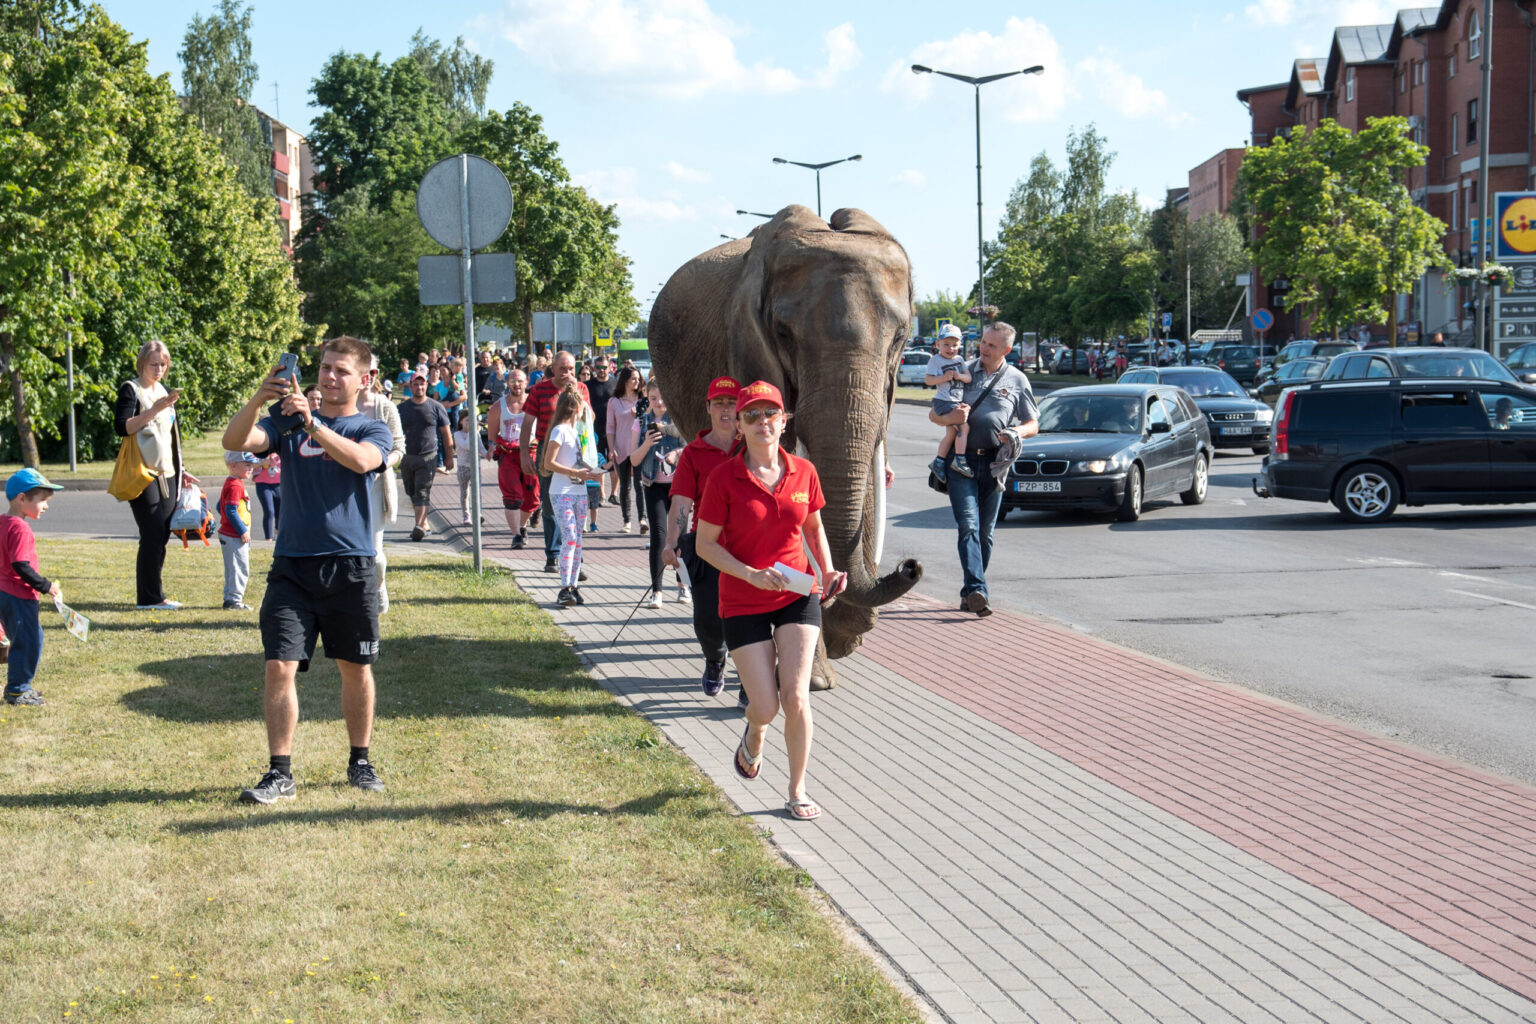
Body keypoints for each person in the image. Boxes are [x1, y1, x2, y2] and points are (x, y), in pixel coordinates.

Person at [221, 335, 395, 805]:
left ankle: (360, 760)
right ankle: (280, 773)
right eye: (325, 367)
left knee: (355, 668)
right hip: (292, 566)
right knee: (279, 665)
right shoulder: (286, 421)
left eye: (341, 370)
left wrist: (312, 423)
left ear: (364, 379)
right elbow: (235, 441)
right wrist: (262, 396)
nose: (330, 376)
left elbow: (361, 462)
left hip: (350, 566)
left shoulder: (371, 428)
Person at [695, 381, 848, 822]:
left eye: (770, 414)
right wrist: (750, 574)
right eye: (751, 415)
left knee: (796, 696)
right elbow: (705, 545)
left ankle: (797, 788)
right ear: (739, 427)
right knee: (765, 705)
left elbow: (814, 528)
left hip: (797, 594)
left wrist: (828, 569)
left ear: (784, 421)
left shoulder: (804, 471)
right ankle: (755, 730)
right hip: (742, 598)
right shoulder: (725, 478)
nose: (762, 422)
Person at [930, 322, 1039, 617]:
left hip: (994, 464)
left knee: (986, 532)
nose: (984, 348)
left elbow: (1033, 423)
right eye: (983, 342)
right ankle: (978, 588)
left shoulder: (1017, 379)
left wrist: (1017, 432)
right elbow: (934, 412)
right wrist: (949, 417)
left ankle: (970, 592)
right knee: (968, 525)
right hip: (960, 461)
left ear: (1006, 349)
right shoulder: (962, 371)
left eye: (992, 345)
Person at [664, 376, 741, 699]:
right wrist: (671, 543)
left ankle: (750, 681)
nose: (726, 409)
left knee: (749, 621)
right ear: (708, 408)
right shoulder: (694, 453)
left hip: (749, 550)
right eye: (719, 403)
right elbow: (681, 502)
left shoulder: (754, 447)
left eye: (731, 403)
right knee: (709, 621)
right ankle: (714, 658)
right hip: (708, 549)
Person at [113, 339, 198, 610]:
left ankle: (155, 594)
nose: (159, 369)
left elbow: (171, 437)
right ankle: (148, 598)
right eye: (154, 364)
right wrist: (154, 409)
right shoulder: (131, 389)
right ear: (142, 363)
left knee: (161, 534)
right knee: (150, 532)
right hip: (143, 472)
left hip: (169, 472)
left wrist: (182, 469)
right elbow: (122, 427)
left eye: (163, 364)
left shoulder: (163, 390)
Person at [519, 351, 590, 574]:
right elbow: (527, 423)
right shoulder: (540, 389)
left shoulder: (581, 388)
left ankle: (575, 557)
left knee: (575, 503)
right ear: (553, 368)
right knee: (550, 504)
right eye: (563, 369)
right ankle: (553, 554)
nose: (567, 373)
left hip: (574, 450)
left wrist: (579, 400)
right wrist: (524, 454)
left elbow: (590, 419)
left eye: (571, 369)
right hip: (546, 449)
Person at [0, 469, 65, 706]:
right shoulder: (20, 528)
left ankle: (18, 686)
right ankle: (18, 690)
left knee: (24, 637)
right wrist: (46, 586)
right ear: (21, 499)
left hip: (4, 593)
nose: (46, 506)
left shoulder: (3, 521)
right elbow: (20, 565)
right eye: (42, 500)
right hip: (19, 595)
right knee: (28, 640)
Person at [541, 385, 603, 607]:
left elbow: (577, 461)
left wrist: (598, 469)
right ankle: (564, 588)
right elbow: (549, 463)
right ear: (576, 408)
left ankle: (573, 585)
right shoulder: (559, 431)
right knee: (569, 537)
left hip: (579, 491)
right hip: (562, 491)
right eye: (583, 409)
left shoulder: (574, 432)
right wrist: (574, 473)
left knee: (578, 540)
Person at [631, 379, 685, 608]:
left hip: (679, 486)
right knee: (659, 535)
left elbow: (691, 448)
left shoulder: (680, 421)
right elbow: (633, 459)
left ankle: (683, 586)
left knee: (682, 536)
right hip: (653, 485)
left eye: (663, 398)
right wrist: (646, 444)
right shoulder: (641, 422)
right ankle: (657, 591)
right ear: (647, 398)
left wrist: (678, 453)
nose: (659, 403)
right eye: (653, 399)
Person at [359, 359, 406, 612]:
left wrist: (378, 464)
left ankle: (378, 586)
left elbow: (399, 448)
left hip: (375, 486)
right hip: (342, 486)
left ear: (372, 374)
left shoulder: (384, 407)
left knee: (374, 553)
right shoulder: (337, 405)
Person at [397, 371, 455, 542]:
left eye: (422, 384)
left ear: (427, 386)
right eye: (416, 384)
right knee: (411, 491)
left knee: (422, 491)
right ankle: (424, 524)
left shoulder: (436, 407)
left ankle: (418, 526)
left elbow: (446, 434)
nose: (419, 387)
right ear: (411, 386)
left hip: (428, 456)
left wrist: (449, 457)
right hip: (407, 457)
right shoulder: (402, 408)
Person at [487, 369, 539, 549]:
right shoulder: (498, 406)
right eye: (513, 381)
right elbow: (492, 434)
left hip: (531, 453)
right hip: (508, 455)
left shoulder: (534, 403)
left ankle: (522, 525)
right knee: (512, 497)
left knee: (533, 498)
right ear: (508, 383)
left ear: (526, 383)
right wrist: (492, 448)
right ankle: (516, 535)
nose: (517, 385)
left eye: (520, 381)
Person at [925, 324, 974, 483]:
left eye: (954, 345)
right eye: (946, 344)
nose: (950, 348)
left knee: (951, 434)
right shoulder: (935, 360)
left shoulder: (960, 360)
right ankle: (960, 459)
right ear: (938, 344)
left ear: (960, 345)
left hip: (956, 401)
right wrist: (944, 378)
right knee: (963, 427)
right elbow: (928, 380)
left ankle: (939, 461)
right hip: (944, 401)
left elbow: (968, 378)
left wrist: (959, 376)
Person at [606, 366, 645, 532]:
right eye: (633, 379)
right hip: (621, 448)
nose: (636, 382)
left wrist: (640, 415)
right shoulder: (614, 401)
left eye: (638, 379)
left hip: (639, 447)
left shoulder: (643, 400)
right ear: (625, 381)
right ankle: (626, 521)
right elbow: (610, 427)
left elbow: (649, 420)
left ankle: (642, 519)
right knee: (625, 485)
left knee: (640, 483)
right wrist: (611, 448)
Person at [217, 451, 257, 611]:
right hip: (234, 535)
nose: (251, 468)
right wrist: (242, 531)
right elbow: (231, 511)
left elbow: (220, 505)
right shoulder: (235, 485)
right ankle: (234, 600)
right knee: (239, 568)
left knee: (233, 568)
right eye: (247, 464)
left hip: (231, 533)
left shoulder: (234, 482)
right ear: (232, 466)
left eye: (252, 465)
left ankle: (230, 598)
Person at [585, 357, 616, 506]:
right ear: (594, 368)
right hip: (594, 429)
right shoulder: (588, 385)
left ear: (610, 368)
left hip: (612, 429)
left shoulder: (615, 384)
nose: (601, 370)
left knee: (614, 460)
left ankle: (614, 493)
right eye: (598, 367)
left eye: (604, 367)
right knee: (598, 461)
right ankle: (601, 493)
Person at [453, 408, 489, 525]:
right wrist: (471, 432)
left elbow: (481, 448)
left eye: (472, 420)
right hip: (463, 467)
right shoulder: (457, 434)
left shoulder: (476, 433)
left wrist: (488, 455)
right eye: (467, 420)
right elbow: (467, 445)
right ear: (461, 422)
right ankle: (466, 516)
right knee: (465, 493)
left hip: (475, 466)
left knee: (477, 492)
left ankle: (478, 514)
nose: (469, 423)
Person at [252, 452, 281, 541]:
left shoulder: (281, 448)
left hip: (279, 484)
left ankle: (278, 533)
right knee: (269, 511)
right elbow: (249, 464)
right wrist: (262, 463)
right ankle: (268, 539)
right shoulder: (259, 450)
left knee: (280, 511)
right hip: (262, 484)